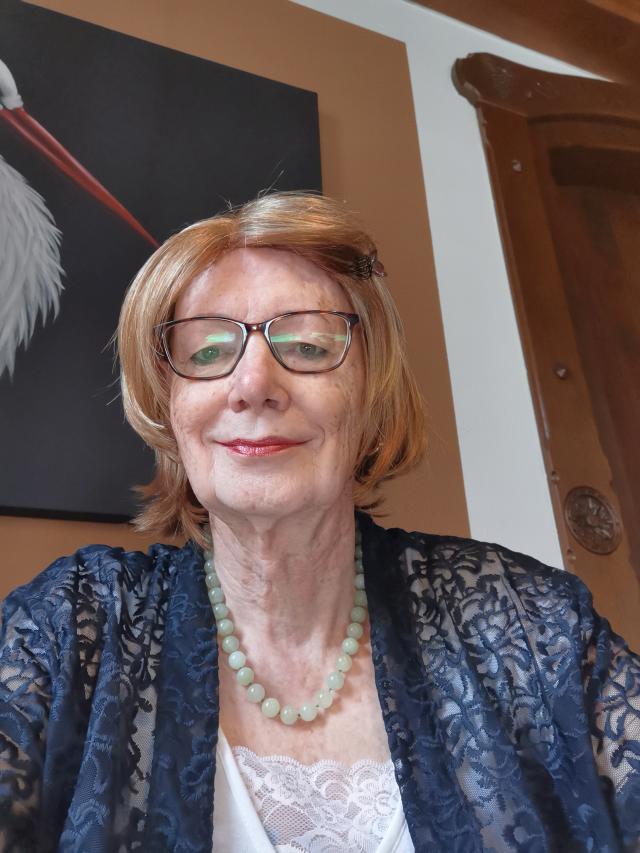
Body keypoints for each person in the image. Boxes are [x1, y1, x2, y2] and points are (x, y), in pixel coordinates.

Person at [0, 192, 639, 853]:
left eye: (307, 345)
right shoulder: (69, 624)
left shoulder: (531, 625)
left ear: (370, 391)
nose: (253, 383)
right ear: (170, 406)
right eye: (207, 350)